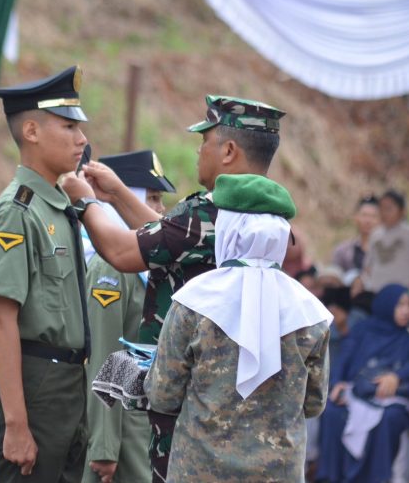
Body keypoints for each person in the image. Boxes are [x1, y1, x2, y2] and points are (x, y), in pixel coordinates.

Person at [63, 94, 286, 482]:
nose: (199, 150)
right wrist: (116, 193)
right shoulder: (262, 216)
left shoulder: (206, 213)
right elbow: (171, 239)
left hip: (189, 393)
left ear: (229, 150)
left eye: (205, 141)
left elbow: (120, 251)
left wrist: (85, 203)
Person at [143, 173, 332, 482]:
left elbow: (163, 394)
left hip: (198, 471)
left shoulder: (194, 301)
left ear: (228, 229)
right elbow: (313, 404)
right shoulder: (311, 313)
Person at [0, 66, 90, 482]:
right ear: (31, 130)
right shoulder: (18, 211)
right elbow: (2, 317)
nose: (81, 139)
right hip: (34, 383)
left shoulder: (57, 205)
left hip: (64, 383)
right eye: (68, 126)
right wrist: (16, 424)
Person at [82, 150, 175, 483]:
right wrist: (105, 446)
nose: (159, 209)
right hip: (122, 425)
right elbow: (107, 352)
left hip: (147, 420)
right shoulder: (111, 266)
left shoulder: (147, 265)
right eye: (151, 197)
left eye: (160, 199)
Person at [316, 284, 409, 483]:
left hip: (390, 397)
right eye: (400, 305)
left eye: (408, 305)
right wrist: (337, 383)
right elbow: (344, 358)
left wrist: (397, 376)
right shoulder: (363, 329)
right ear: (386, 305)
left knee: (389, 418)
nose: (406, 310)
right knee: (332, 410)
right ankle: (331, 477)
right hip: (356, 391)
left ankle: (375, 478)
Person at [359, 189, 409, 293]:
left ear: (402, 211)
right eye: (381, 208)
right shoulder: (375, 235)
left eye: (389, 209)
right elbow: (368, 267)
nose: (384, 213)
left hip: (404, 296)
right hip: (377, 294)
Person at [331, 195, 380, 281]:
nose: (368, 221)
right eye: (364, 215)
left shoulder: (387, 251)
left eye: (373, 216)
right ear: (356, 217)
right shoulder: (342, 251)